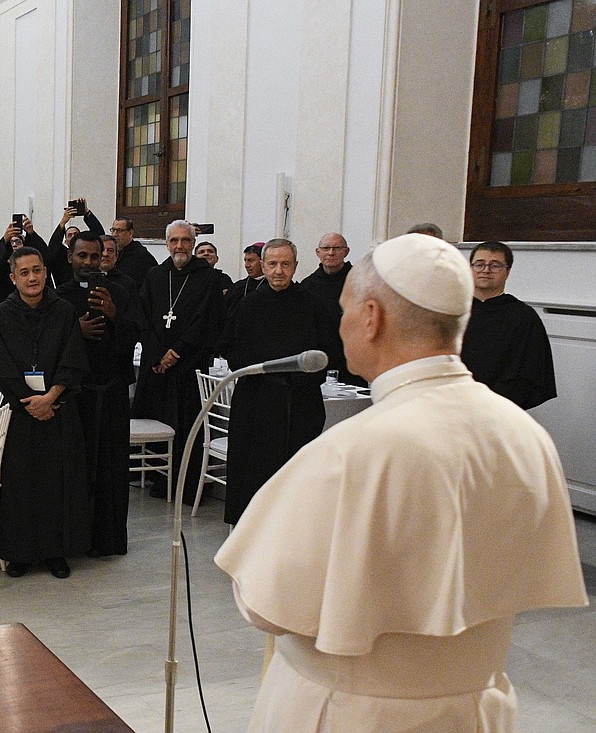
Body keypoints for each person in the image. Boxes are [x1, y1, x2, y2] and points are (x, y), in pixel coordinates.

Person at [214, 233, 586, 731]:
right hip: (474, 709)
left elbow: (267, 605)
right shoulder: (525, 435)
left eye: (346, 310)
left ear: (372, 318)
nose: (341, 325)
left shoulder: (351, 451)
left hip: (352, 712)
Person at [0, 246, 90, 579]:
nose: (32, 278)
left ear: (45, 272)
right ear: (13, 278)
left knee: (58, 482)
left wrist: (51, 396)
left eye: (37, 270)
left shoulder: (63, 311)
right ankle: (20, 553)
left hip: (59, 410)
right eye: (24, 273)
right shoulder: (0, 315)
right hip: (20, 413)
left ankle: (56, 552)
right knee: (21, 483)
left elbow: (73, 358)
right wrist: (30, 401)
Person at [221, 238, 340, 524]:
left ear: (296, 266)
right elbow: (232, 349)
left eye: (285, 264)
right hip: (256, 402)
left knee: (297, 472)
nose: (278, 271)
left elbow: (328, 350)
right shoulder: (249, 304)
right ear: (262, 266)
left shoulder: (312, 304)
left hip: (299, 402)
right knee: (254, 472)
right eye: (272, 264)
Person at [131, 220, 225, 502]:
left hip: (188, 366)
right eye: (174, 241)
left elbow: (207, 321)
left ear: (193, 244)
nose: (179, 246)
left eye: (185, 240)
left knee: (187, 427)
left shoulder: (208, 278)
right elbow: (142, 316)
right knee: (156, 421)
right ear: (167, 242)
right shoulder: (155, 275)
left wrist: (176, 352)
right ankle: (156, 481)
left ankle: (185, 485)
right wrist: (159, 352)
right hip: (157, 367)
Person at [55, 232, 136, 557]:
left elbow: (134, 335)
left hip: (112, 393)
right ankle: (75, 541)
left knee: (111, 469)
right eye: (82, 256)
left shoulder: (120, 291)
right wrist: (76, 329)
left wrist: (115, 315)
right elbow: (51, 346)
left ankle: (108, 540)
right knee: (76, 470)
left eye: (94, 256)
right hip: (77, 396)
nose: (88, 262)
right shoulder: (59, 298)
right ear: (71, 257)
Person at [461, 241, 556, 410]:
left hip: (500, 409)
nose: (486, 270)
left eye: (495, 265)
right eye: (479, 264)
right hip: (453, 404)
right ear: (470, 268)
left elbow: (532, 373)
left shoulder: (524, 317)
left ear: (507, 272)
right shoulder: (453, 311)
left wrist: (490, 403)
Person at [300, 232, 360, 384]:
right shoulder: (307, 286)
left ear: (346, 252)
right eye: (326, 248)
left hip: (351, 357)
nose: (331, 253)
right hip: (318, 358)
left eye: (337, 248)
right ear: (318, 252)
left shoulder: (360, 281)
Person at [45, 198, 105, 288]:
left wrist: (86, 212)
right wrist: (63, 222)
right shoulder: (61, 256)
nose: (87, 261)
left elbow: (99, 236)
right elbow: (53, 247)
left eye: (75, 234)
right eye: (69, 235)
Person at [110, 216, 158, 287]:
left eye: (120, 231)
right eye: (113, 230)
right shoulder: (109, 252)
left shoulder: (141, 255)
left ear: (130, 233)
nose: (115, 234)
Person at [225, 243, 265, 309]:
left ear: (263, 262)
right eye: (245, 260)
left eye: (251, 261)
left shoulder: (272, 286)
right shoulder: (236, 287)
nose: (247, 265)